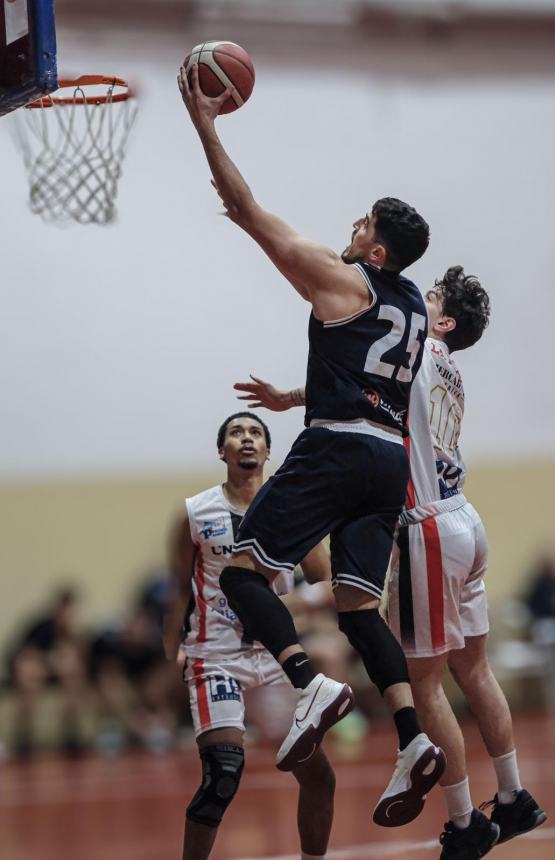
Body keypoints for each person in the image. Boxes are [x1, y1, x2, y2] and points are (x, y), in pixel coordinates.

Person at [178, 65, 445, 828]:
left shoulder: (347, 278)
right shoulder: (412, 312)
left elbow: (243, 204)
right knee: (361, 609)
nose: (351, 228)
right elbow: (377, 376)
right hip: (387, 461)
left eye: (363, 225)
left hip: (336, 449)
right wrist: (296, 395)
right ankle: (409, 737)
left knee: (240, 574)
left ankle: (308, 683)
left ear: (379, 250)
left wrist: (205, 121)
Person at [235, 266, 547, 857]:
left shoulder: (419, 347)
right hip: (465, 519)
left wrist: (291, 397)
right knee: (474, 670)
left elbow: (361, 379)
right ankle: (513, 797)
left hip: (425, 524)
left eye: (429, 298)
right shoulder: (448, 368)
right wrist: (290, 397)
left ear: (445, 321)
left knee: (425, 682)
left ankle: (462, 824)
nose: (415, 301)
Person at [163, 412, 337, 860]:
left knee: (318, 776)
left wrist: (292, 605)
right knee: (223, 773)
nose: (246, 439)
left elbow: (323, 580)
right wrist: (172, 650)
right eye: (236, 433)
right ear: (222, 451)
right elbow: (179, 585)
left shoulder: (290, 508)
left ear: (266, 451)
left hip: (278, 657)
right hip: (216, 654)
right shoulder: (196, 512)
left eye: (255, 433)